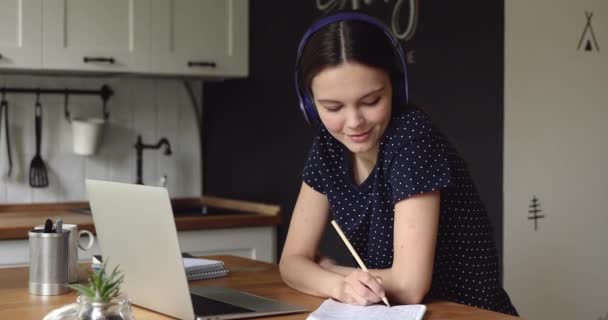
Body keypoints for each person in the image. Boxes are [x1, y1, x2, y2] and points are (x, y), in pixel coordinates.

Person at [278, 11, 518, 316]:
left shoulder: (412, 137)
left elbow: (409, 285)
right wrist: (339, 285)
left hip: (466, 313)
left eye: (371, 101)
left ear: (395, 88)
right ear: (309, 104)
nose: (354, 122)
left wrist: (328, 272)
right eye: (333, 107)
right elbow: (291, 262)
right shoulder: (327, 146)